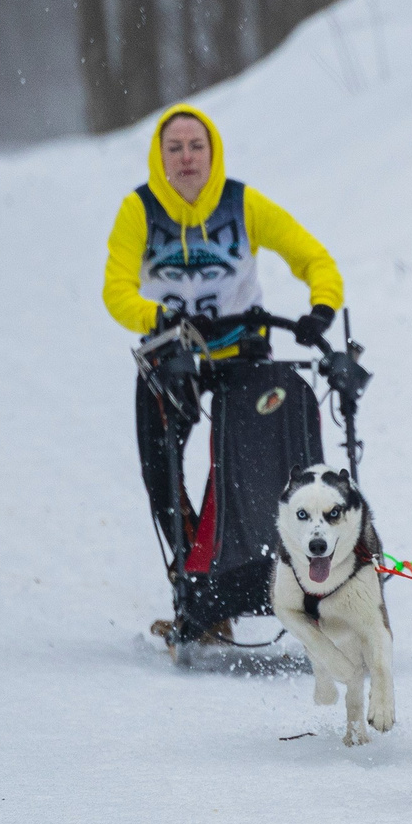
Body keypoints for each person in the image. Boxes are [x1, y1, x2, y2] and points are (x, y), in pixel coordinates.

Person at [103, 104, 344, 644]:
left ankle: (267, 581)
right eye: (175, 148)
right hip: (171, 356)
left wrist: (322, 307)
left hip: (240, 351)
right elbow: (115, 290)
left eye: (196, 147)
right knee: (160, 473)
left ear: (212, 153)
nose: (187, 158)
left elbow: (314, 258)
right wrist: (156, 315)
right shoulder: (138, 212)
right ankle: (197, 587)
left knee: (246, 467)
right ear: (159, 158)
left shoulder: (244, 204)